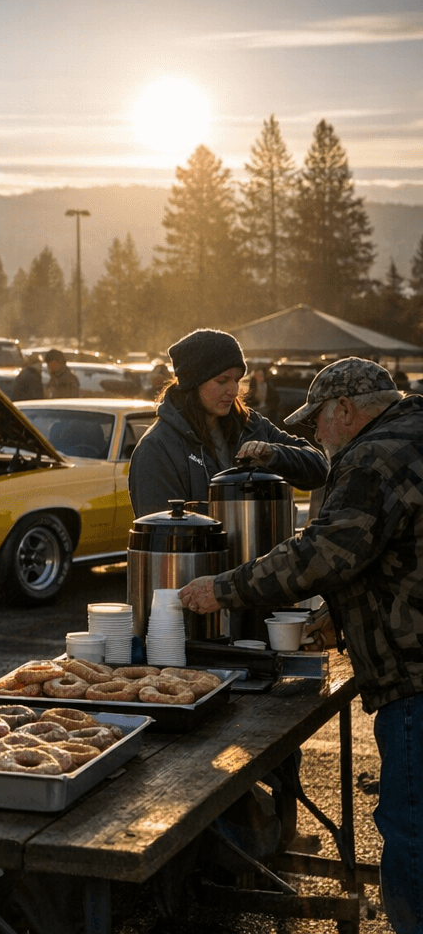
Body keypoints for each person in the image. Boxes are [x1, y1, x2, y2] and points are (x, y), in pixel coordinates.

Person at [177, 358, 421, 929]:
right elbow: (394, 550)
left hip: (416, 678)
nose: (315, 434)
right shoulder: (411, 434)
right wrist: (343, 619)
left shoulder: (370, 456)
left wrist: (223, 589)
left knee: (413, 831)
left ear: (345, 410)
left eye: (317, 422)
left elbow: (321, 554)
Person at [129, 329, 326, 519]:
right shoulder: (157, 448)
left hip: (265, 554)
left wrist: (273, 454)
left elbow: (320, 469)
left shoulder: (250, 425)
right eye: (222, 381)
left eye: (237, 380)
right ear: (192, 384)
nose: (233, 390)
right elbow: (162, 536)